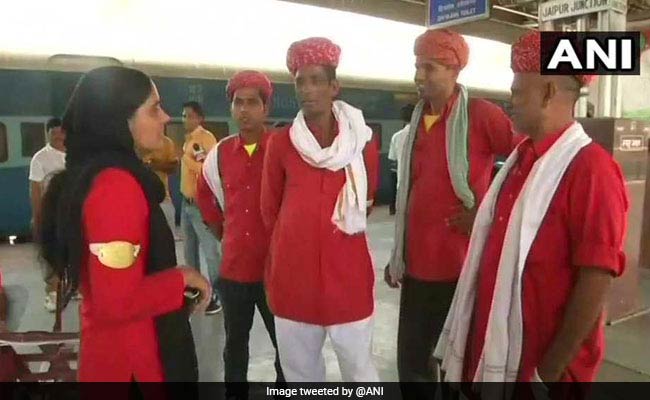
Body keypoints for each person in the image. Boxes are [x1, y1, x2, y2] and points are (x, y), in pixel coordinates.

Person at [434, 31, 628, 395]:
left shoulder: (591, 170)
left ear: (549, 92)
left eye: (517, 89)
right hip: (495, 355)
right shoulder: (520, 161)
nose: (510, 99)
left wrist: (548, 373)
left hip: (538, 372)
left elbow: (596, 278)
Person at [38, 66, 211, 382]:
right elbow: (115, 302)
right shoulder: (115, 187)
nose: (165, 118)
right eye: (154, 109)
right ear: (121, 121)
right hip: (133, 364)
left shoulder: (98, 175)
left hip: (111, 358)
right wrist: (182, 278)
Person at [385, 29, 517, 393]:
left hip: (460, 266)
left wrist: (487, 212)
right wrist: (398, 254)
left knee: (455, 362)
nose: (419, 76)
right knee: (411, 361)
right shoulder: (415, 122)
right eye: (417, 67)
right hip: (416, 267)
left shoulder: (481, 115)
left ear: (454, 70)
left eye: (429, 67)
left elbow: (526, 161)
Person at [261, 37, 380, 382]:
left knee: (361, 372)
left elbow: (365, 204)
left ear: (334, 86)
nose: (307, 89)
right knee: (301, 376)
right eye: (300, 81)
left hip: (349, 281)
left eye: (316, 80)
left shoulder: (361, 143)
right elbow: (270, 210)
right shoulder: (281, 143)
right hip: (293, 282)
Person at [197, 70, 284, 399]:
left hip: (275, 271)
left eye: (252, 103)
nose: (244, 110)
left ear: (265, 108)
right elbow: (204, 194)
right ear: (231, 108)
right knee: (235, 344)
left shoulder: (281, 149)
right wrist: (223, 231)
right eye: (238, 103)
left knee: (283, 344)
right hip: (234, 270)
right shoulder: (220, 153)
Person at [180, 101, 222, 314]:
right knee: (189, 251)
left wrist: (187, 160)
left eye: (188, 116)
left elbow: (207, 169)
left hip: (199, 204)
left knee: (210, 251)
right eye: (183, 115)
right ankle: (196, 292)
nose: (184, 119)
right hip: (185, 204)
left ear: (199, 118)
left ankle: (218, 294)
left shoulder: (204, 139)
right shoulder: (189, 140)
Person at [29, 118, 66, 312]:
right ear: (48, 134)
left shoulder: (75, 155)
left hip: (71, 215)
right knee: (50, 255)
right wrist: (37, 217)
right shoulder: (40, 158)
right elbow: (35, 189)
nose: (59, 136)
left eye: (62, 132)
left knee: (74, 251)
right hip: (50, 216)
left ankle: (73, 287)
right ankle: (52, 293)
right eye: (54, 133)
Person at [138, 135, 179, 238]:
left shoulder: (166, 143)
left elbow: (173, 167)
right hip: (139, 198)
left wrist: (154, 164)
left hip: (162, 199)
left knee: (167, 239)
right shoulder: (135, 141)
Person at [387, 104, 414, 215]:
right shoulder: (424, 134)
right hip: (420, 184)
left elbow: (392, 158)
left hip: (402, 182)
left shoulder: (396, 136)